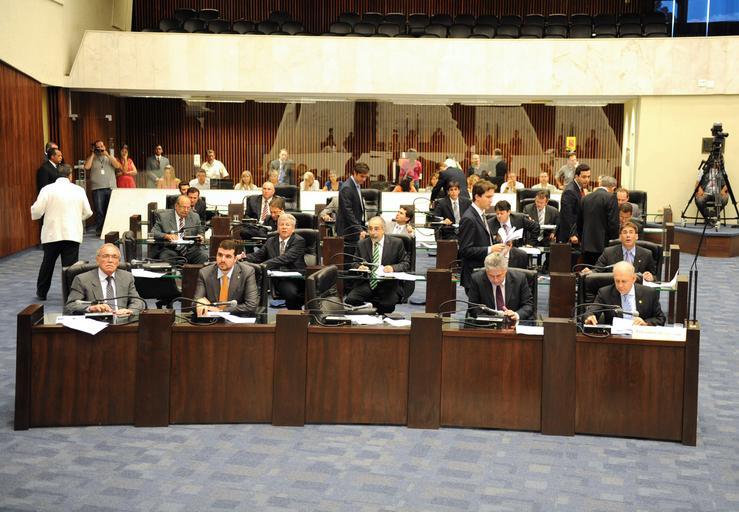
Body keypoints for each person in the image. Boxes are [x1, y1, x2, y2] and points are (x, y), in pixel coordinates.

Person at [31, 164, 93, 300]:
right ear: (70, 175)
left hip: (51, 233)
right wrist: (77, 219)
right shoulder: (78, 190)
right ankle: (70, 294)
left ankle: (42, 292)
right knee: (70, 268)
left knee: (47, 264)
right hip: (72, 234)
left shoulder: (47, 189)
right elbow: (88, 212)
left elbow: (37, 211)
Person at [345, 216, 411, 314]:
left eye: (376, 229)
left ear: (383, 229)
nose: (372, 232)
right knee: (350, 300)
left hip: (388, 284)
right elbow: (354, 263)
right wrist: (359, 267)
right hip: (368, 282)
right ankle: (369, 313)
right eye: (370, 229)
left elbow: (405, 264)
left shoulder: (396, 243)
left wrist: (392, 268)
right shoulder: (362, 244)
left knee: (387, 305)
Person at [244, 213, 306, 310]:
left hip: (297, 278)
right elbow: (258, 256)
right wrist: (243, 257)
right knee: (290, 292)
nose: (284, 227)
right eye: (281, 224)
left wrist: (264, 265)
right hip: (279, 278)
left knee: (296, 294)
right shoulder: (271, 241)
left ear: (293, 228)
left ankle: (296, 315)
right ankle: (295, 315)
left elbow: (285, 258)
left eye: (287, 225)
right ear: (277, 227)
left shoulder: (299, 241)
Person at [64, 243, 141, 316]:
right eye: (105, 256)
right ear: (97, 260)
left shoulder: (127, 277)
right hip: (95, 322)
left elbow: (137, 301)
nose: (110, 260)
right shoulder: (82, 279)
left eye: (114, 257)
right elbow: (70, 306)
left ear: (118, 261)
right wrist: (90, 308)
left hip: (122, 320)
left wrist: (129, 310)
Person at [584, 261, 665, 326]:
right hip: (615, 338)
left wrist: (645, 323)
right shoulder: (605, 293)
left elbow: (660, 319)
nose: (620, 285)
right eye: (617, 281)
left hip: (640, 336)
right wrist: (589, 317)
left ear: (633, 278)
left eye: (624, 281)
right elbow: (590, 312)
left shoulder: (649, 293)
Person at [194, 239, 258, 317]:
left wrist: (222, 311)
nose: (222, 260)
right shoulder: (205, 273)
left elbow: (251, 305)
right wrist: (199, 303)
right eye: (220, 255)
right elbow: (195, 303)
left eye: (228, 256)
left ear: (235, 259)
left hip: (237, 319)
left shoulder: (247, 272)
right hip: (211, 320)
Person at [458, 180, 501, 292]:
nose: (491, 200)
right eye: (488, 197)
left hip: (483, 273)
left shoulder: (480, 214)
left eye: (492, 197)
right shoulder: (469, 218)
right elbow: (465, 250)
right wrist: (490, 249)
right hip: (474, 276)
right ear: (477, 197)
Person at [466, 252, 534, 322]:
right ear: (486, 271)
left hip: (513, 322)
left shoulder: (519, 279)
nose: (495, 280)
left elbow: (528, 305)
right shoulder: (477, 279)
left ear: (505, 270)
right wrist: (491, 319)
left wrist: (516, 315)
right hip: (488, 323)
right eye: (491, 276)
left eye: (499, 275)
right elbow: (473, 307)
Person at [150, 195, 207, 264]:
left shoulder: (195, 216)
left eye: (188, 207)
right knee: (165, 256)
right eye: (184, 207)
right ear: (176, 206)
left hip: (190, 249)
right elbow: (154, 232)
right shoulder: (164, 216)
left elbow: (201, 232)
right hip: (171, 249)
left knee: (203, 256)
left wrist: (201, 236)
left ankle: (193, 271)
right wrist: (167, 236)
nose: (186, 210)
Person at [578, 175, 619, 265]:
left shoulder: (585, 198)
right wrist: (615, 242)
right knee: (601, 271)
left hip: (586, 244)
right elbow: (613, 223)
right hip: (603, 244)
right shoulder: (611, 198)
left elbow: (579, 222)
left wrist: (581, 239)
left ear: (600, 184)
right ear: (613, 188)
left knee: (587, 270)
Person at [84, 139, 121, 236]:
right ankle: (100, 230)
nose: (100, 148)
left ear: (105, 146)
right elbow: (87, 167)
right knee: (99, 210)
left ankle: (111, 229)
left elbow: (117, 166)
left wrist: (108, 155)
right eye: (98, 147)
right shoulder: (92, 157)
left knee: (110, 209)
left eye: (102, 146)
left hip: (110, 187)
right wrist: (93, 154)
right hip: (97, 188)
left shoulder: (110, 157)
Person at [336, 162, 369, 249]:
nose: (364, 179)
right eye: (362, 176)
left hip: (355, 229)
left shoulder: (356, 185)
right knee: (349, 255)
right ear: (354, 173)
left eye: (366, 177)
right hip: (348, 232)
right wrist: (359, 229)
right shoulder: (347, 187)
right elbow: (348, 212)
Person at [556, 163, 590, 244]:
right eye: (584, 177)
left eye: (588, 177)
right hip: (569, 237)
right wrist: (572, 234)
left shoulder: (580, 188)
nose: (587, 180)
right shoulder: (570, 191)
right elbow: (567, 215)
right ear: (576, 176)